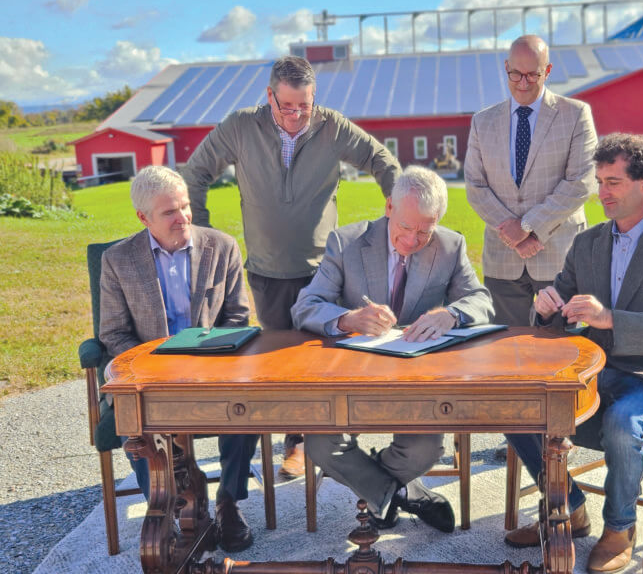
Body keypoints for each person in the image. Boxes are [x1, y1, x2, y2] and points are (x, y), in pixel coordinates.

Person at [504, 134, 643, 573]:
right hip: (596, 370)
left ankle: (619, 528)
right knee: (516, 408)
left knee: (623, 423)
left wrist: (611, 319)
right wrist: (544, 310)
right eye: (600, 181)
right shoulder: (588, 243)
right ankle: (571, 508)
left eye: (614, 182)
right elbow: (559, 306)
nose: (603, 193)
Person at [183, 55, 400, 477]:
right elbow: (195, 173)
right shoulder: (241, 126)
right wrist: (202, 233)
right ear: (269, 96)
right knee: (281, 362)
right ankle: (293, 440)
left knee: (327, 357)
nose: (298, 114)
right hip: (268, 270)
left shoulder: (332, 126)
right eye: (287, 106)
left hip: (325, 267)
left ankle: (331, 441)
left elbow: (382, 160)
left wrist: (396, 213)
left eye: (306, 104)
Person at [291, 165, 494, 532]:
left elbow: (480, 299)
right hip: (351, 375)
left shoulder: (450, 245)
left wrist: (451, 314)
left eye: (424, 230)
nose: (413, 240)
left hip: (416, 378)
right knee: (321, 446)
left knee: (426, 450)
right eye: (405, 227)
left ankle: (379, 494)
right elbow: (306, 306)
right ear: (388, 207)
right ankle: (409, 495)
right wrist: (348, 319)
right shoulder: (346, 242)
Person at [99, 165, 258, 552]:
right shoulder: (118, 260)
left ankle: (228, 502)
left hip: (213, 368)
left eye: (185, 206)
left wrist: (209, 360)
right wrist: (159, 365)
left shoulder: (222, 247)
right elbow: (114, 333)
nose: (182, 217)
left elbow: (238, 318)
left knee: (251, 403)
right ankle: (169, 507)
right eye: (169, 211)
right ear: (143, 217)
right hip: (151, 373)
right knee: (129, 411)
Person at [464, 34, 597, 327]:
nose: (523, 83)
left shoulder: (575, 115)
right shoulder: (482, 121)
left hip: (558, 255)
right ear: (506, 67)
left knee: (562, 347)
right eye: (515, 74)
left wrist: (529, 228)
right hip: (503, 257)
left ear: (547, 71)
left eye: (532, 75)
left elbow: (581, 182)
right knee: (505, 349)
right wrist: (512, 232)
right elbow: (475, 186)